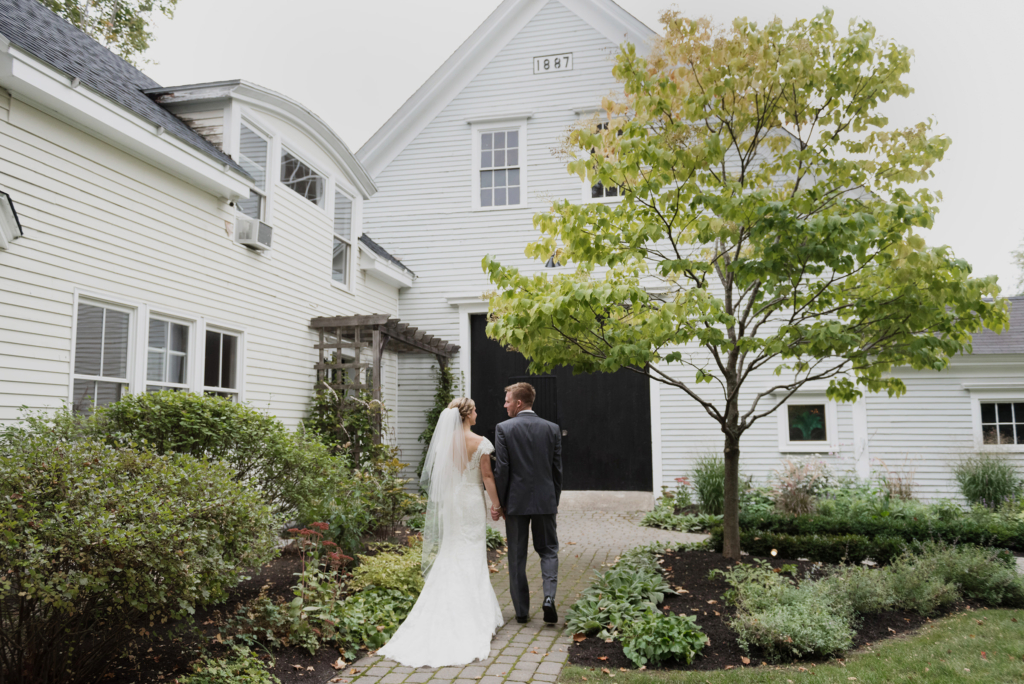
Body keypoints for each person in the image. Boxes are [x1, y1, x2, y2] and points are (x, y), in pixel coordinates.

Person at [377, 397, 505, 667]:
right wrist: (497, 504)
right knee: (470, 551)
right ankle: (473, 615)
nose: (477, 412)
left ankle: (447, 606)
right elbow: (487, 477)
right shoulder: (480, 442)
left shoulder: (445, 443)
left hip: (451, 503)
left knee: (452, 549)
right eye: (474, 409)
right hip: (470, 502)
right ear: (467, 414)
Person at [492, 382, 562, 625]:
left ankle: (521, 612)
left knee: (516, 556)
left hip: (515, 503)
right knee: (549, 550)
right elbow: (557, 471)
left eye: (508, 400)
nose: (505, 404)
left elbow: (502, 470)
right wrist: (553, 501)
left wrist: (499, 504)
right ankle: (549, 598)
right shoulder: (552, 429)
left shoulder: (503, 429)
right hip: (545, 501)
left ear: (519, 403)